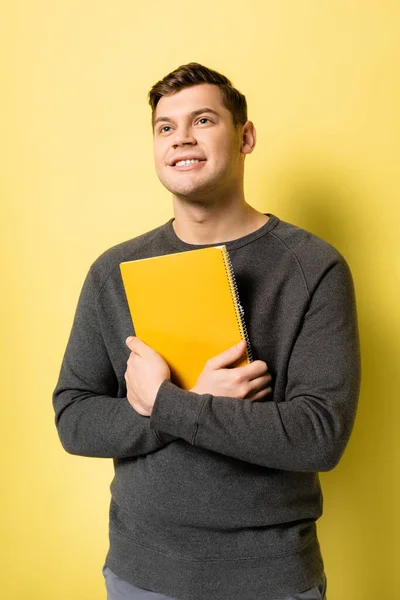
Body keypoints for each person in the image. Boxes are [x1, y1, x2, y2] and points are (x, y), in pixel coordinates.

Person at [52, 62, 360, 600]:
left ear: (246, 137)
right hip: (139, 575)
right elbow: (74, 418)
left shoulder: (314, 266)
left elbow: (319, 436)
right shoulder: (113, 270)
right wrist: (192, 399)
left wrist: (168, 404)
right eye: (165, 127)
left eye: (202, 121)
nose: (181, 139)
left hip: (272, 578)